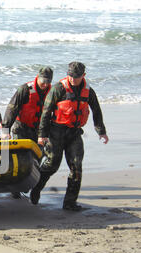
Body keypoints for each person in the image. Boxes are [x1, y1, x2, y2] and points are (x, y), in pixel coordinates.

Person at [30, 62, 109, 211]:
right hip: (56, 132)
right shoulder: (58, 88)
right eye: (70, 75)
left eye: (76, 77)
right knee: (52, 165)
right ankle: (36, 188)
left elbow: (96, 110)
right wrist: (42, 135)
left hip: (74, 133)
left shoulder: (88, 91)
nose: (72, 79)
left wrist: (101, 131)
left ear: (83, 76)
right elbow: (45, 113)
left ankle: (70, 202)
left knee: (76, 168)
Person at [1, 66, 53, 199]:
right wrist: (5, 130)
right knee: (19, 159)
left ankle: (27, 184)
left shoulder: (53, 92)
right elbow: (11, 109)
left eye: (48, 82)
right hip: (21, 128)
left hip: (39, 131)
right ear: (38, 77)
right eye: (43, 81)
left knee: (37, 158)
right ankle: (14, 188)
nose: (45, 84)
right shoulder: (25, 90)